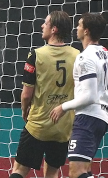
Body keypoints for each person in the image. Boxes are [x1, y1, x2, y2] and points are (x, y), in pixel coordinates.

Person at [10, 11, 78, 178]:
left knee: (19, 170)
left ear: (54, 29)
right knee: (52, 174)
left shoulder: (36, 55)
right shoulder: (78, 56)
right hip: (63, 128)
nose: (42, 26)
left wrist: (25, 111)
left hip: (38, 125)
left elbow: (26, 95)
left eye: (45, 23)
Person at [49, 12, 108, 178]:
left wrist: (63, 107)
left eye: (80, 25)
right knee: (86, 170)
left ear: (87, 31)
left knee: (76, 172)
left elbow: (89, 96)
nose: (77, 28)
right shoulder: (105, 53)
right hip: (101, 116)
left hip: (87, 117)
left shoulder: (85, 57)